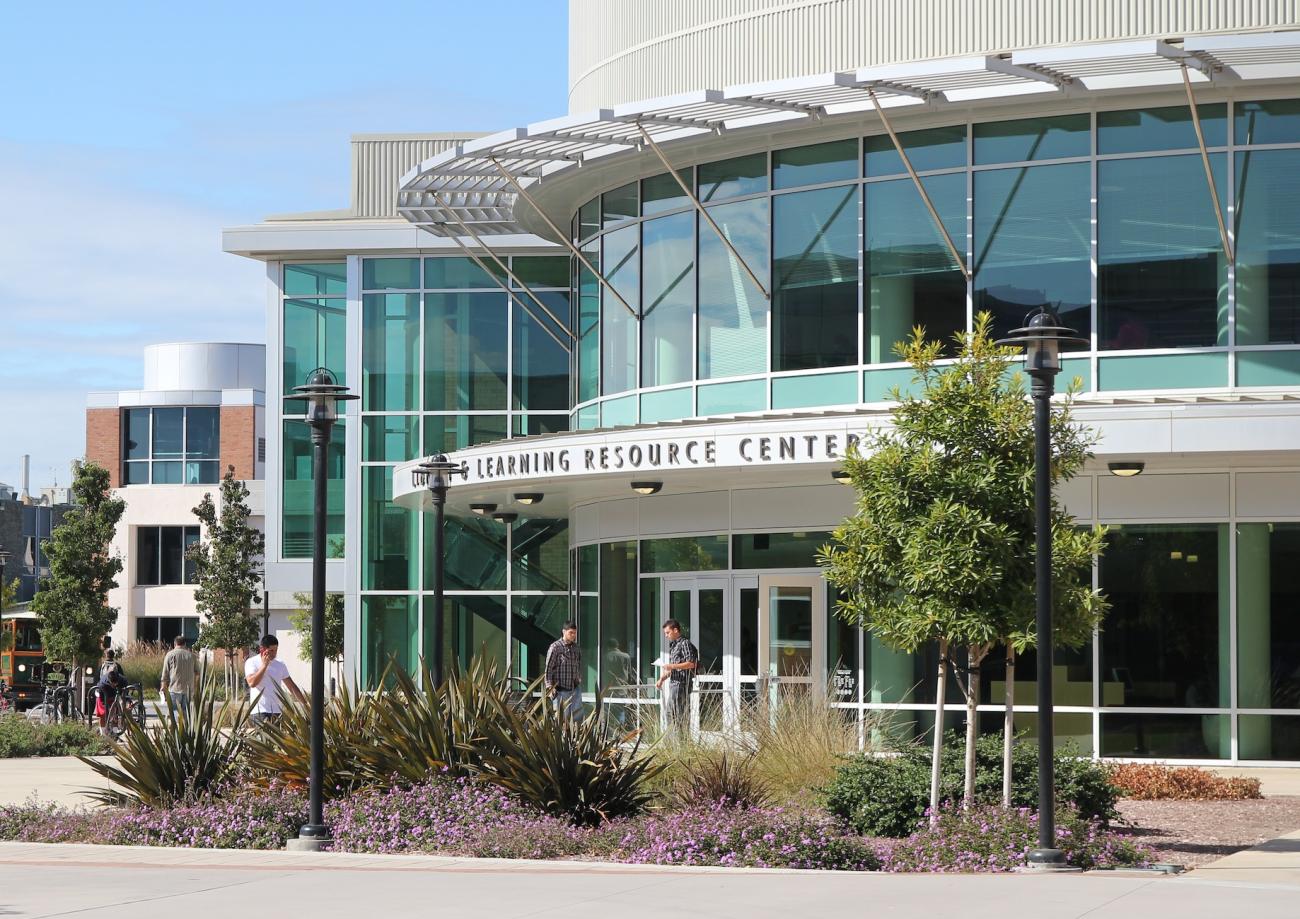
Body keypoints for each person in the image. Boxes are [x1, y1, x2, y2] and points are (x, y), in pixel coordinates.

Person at [244, 634, 305, 728]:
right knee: (263, 741)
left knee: (276, 742)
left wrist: (305, 704)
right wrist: (264, 665)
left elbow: (291, 686)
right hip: (259, 711)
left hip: (277, 712)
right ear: (262, 649)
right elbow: (252, 683)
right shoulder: (252, 662)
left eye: (276, 650)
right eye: (271, 651)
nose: (274, 654)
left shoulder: (280, 664)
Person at [655, 619, 698, 734]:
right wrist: (662, 679)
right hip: (674, 684)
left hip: (681, 684)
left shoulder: (685, 643)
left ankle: (678, 742)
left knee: (674, 714)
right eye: (665, 633)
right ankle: (676, 742)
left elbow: (691, 663)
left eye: (667, 632)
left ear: (675, 630)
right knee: (674, 714)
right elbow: (674, 668)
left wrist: (671, 666)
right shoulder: (674, 646)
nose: (666, 635)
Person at [544, 621, 583, 719]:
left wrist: (578, 678)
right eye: (571, 632)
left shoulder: (576, 648)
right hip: (560, 691)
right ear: (564, 632)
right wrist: (549, 687)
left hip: (575, 690)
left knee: (576, 720)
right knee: (561, 721)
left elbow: (578, 665)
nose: (573, 635)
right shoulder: (555, 647)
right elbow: (548, 668)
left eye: (575, 633)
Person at [94, 649, 128, 735]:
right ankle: (106, 734)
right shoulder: (103, 682)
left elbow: (125, 685)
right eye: (113, 684)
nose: (114, 685)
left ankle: (113, 734)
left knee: (111, 715)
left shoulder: (120, 679)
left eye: (115, 684)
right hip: (103, 692)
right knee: (106, 714)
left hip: (112, 694)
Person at [160, 635, 196, 713]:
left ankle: (174, 725)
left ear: (174, 643)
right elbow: (197, 673)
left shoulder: (170, 655)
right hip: (188, 690)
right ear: (185, 644)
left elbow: (165, 673)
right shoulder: (192, 656)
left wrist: (163, 687)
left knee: (173, 713)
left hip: (174, 688)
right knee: (186, 713)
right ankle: (185, 725)